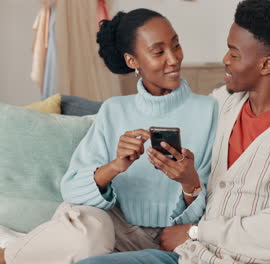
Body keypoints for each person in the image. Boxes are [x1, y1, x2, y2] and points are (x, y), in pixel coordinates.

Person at [79, 0, 270, 263]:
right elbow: (177, 108)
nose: (225, 60)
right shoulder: (223, 104)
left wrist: (196, 231)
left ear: (266, 65)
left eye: (234, 54)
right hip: (190, 255)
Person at [0, 8, 217, 264]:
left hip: (177, 237)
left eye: (176, 45)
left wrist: (189, 183)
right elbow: (71, 188)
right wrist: (115, 166)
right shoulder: (114, 110)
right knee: (88, 231)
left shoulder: (211, 109)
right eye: (159, 52)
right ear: (132, 61)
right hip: (114, 229)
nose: (173, 58)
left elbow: (220, 196)